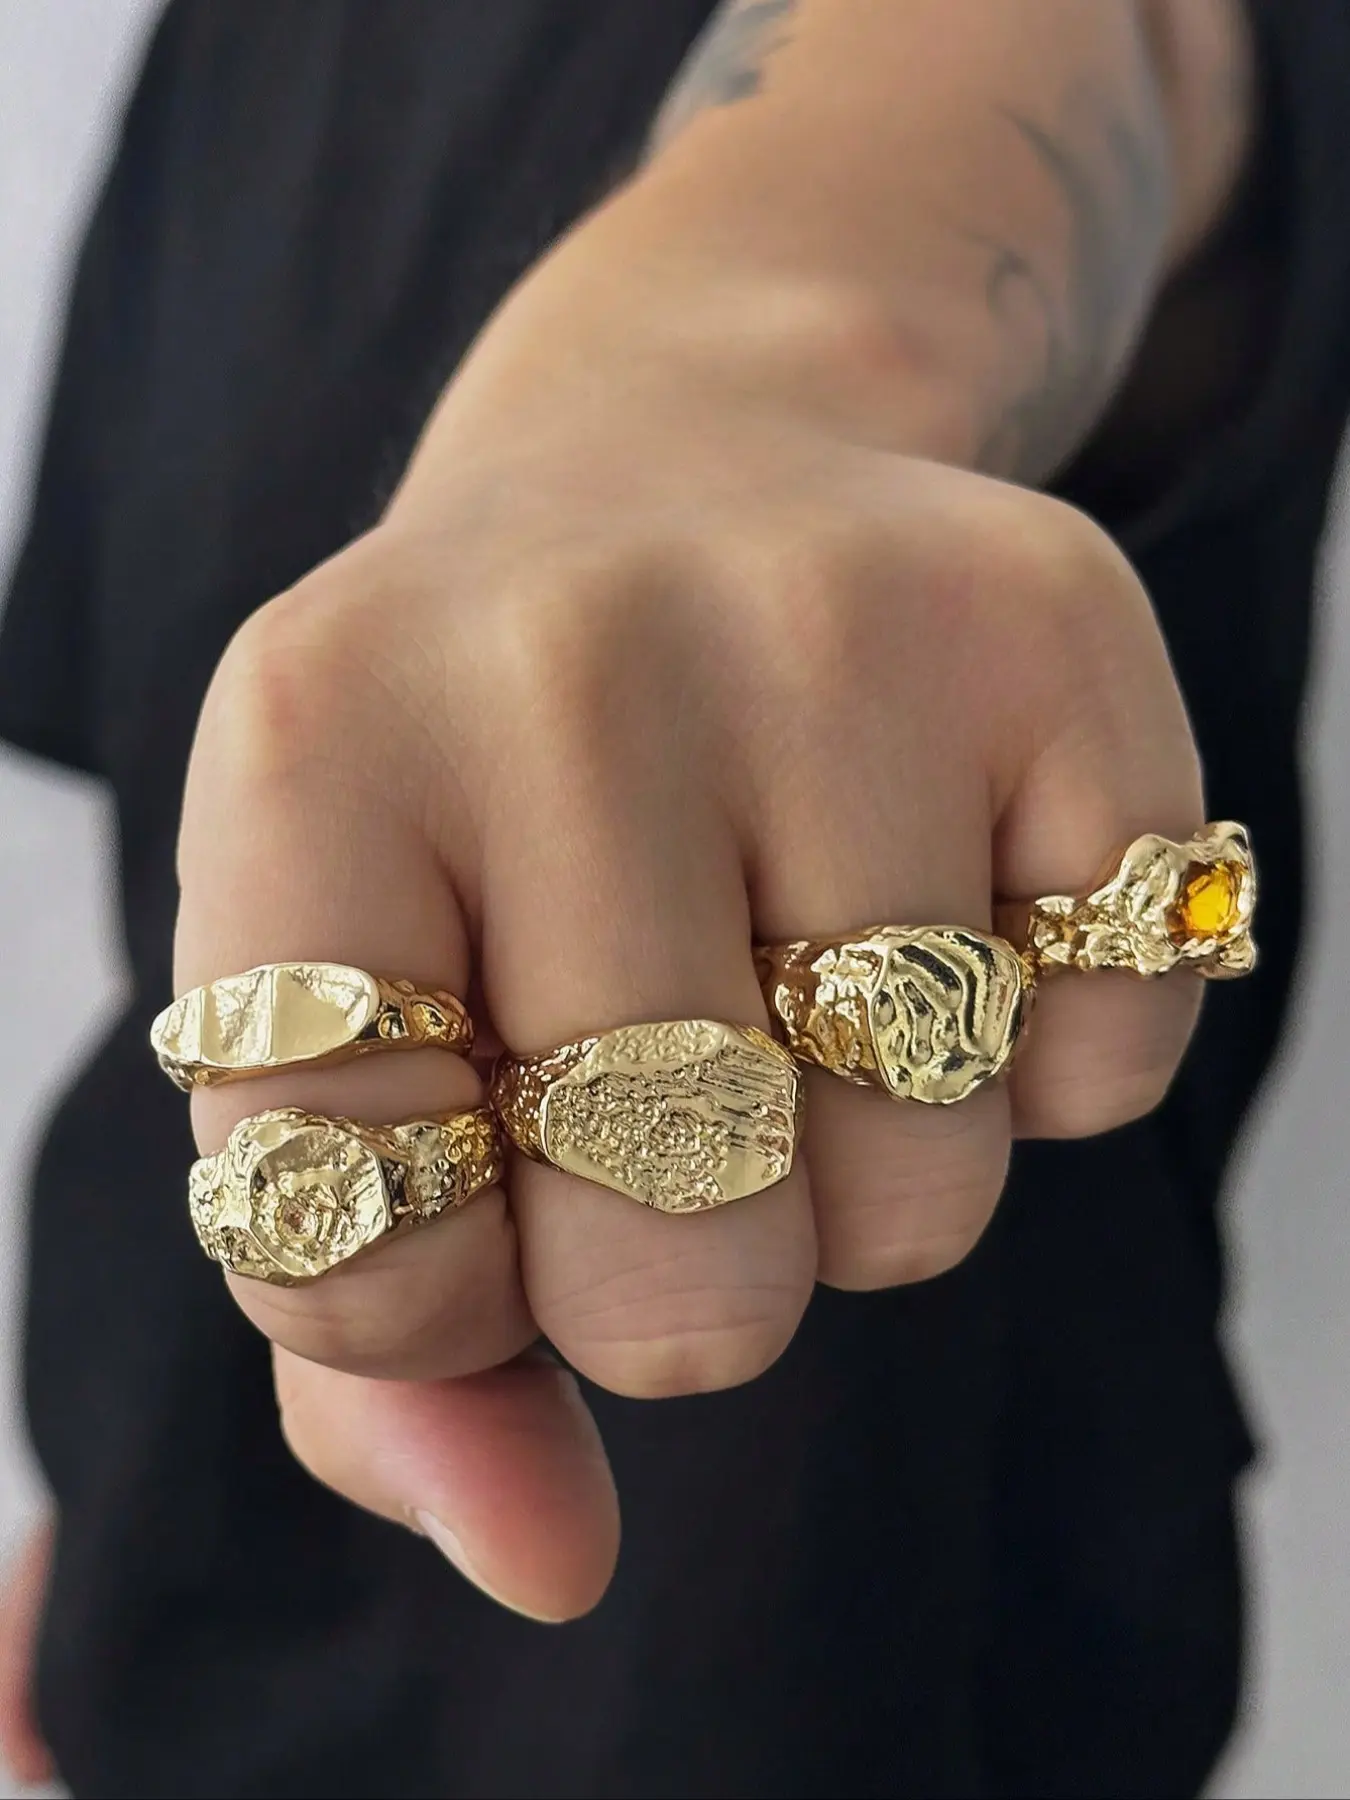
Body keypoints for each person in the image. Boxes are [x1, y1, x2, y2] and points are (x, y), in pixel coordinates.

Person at [0, 1, 1345, 1793]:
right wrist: (121, 1476)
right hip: (194, 1609)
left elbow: (1075, 62)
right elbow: (201, 886)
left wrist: (711, 376)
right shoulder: (237, 47)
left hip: (869, 1657)